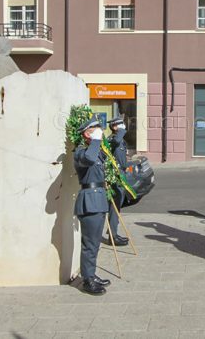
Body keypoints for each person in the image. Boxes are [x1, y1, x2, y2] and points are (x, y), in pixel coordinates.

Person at [73, 115, 111, 295]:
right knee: (89, 243)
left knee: (95, 243)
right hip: (89, 201)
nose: (99, 132)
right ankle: (87, 281)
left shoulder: (94, 151)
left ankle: (91, 274)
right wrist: (95, 141)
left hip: (99, 200)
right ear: (86, 134)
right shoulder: (81, 152)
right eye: (94, 130)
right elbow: (88, 159)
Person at [106, 115, 129, 246]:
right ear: (115, 127)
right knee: (114, 206)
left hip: (121, 175)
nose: (123, 126)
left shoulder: (119, 139)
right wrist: (121, 131)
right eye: (120, 124)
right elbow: (116, 141)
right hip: (115, 176)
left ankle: (113, 233)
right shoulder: (113, 138)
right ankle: (112, 236)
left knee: (116, 206)